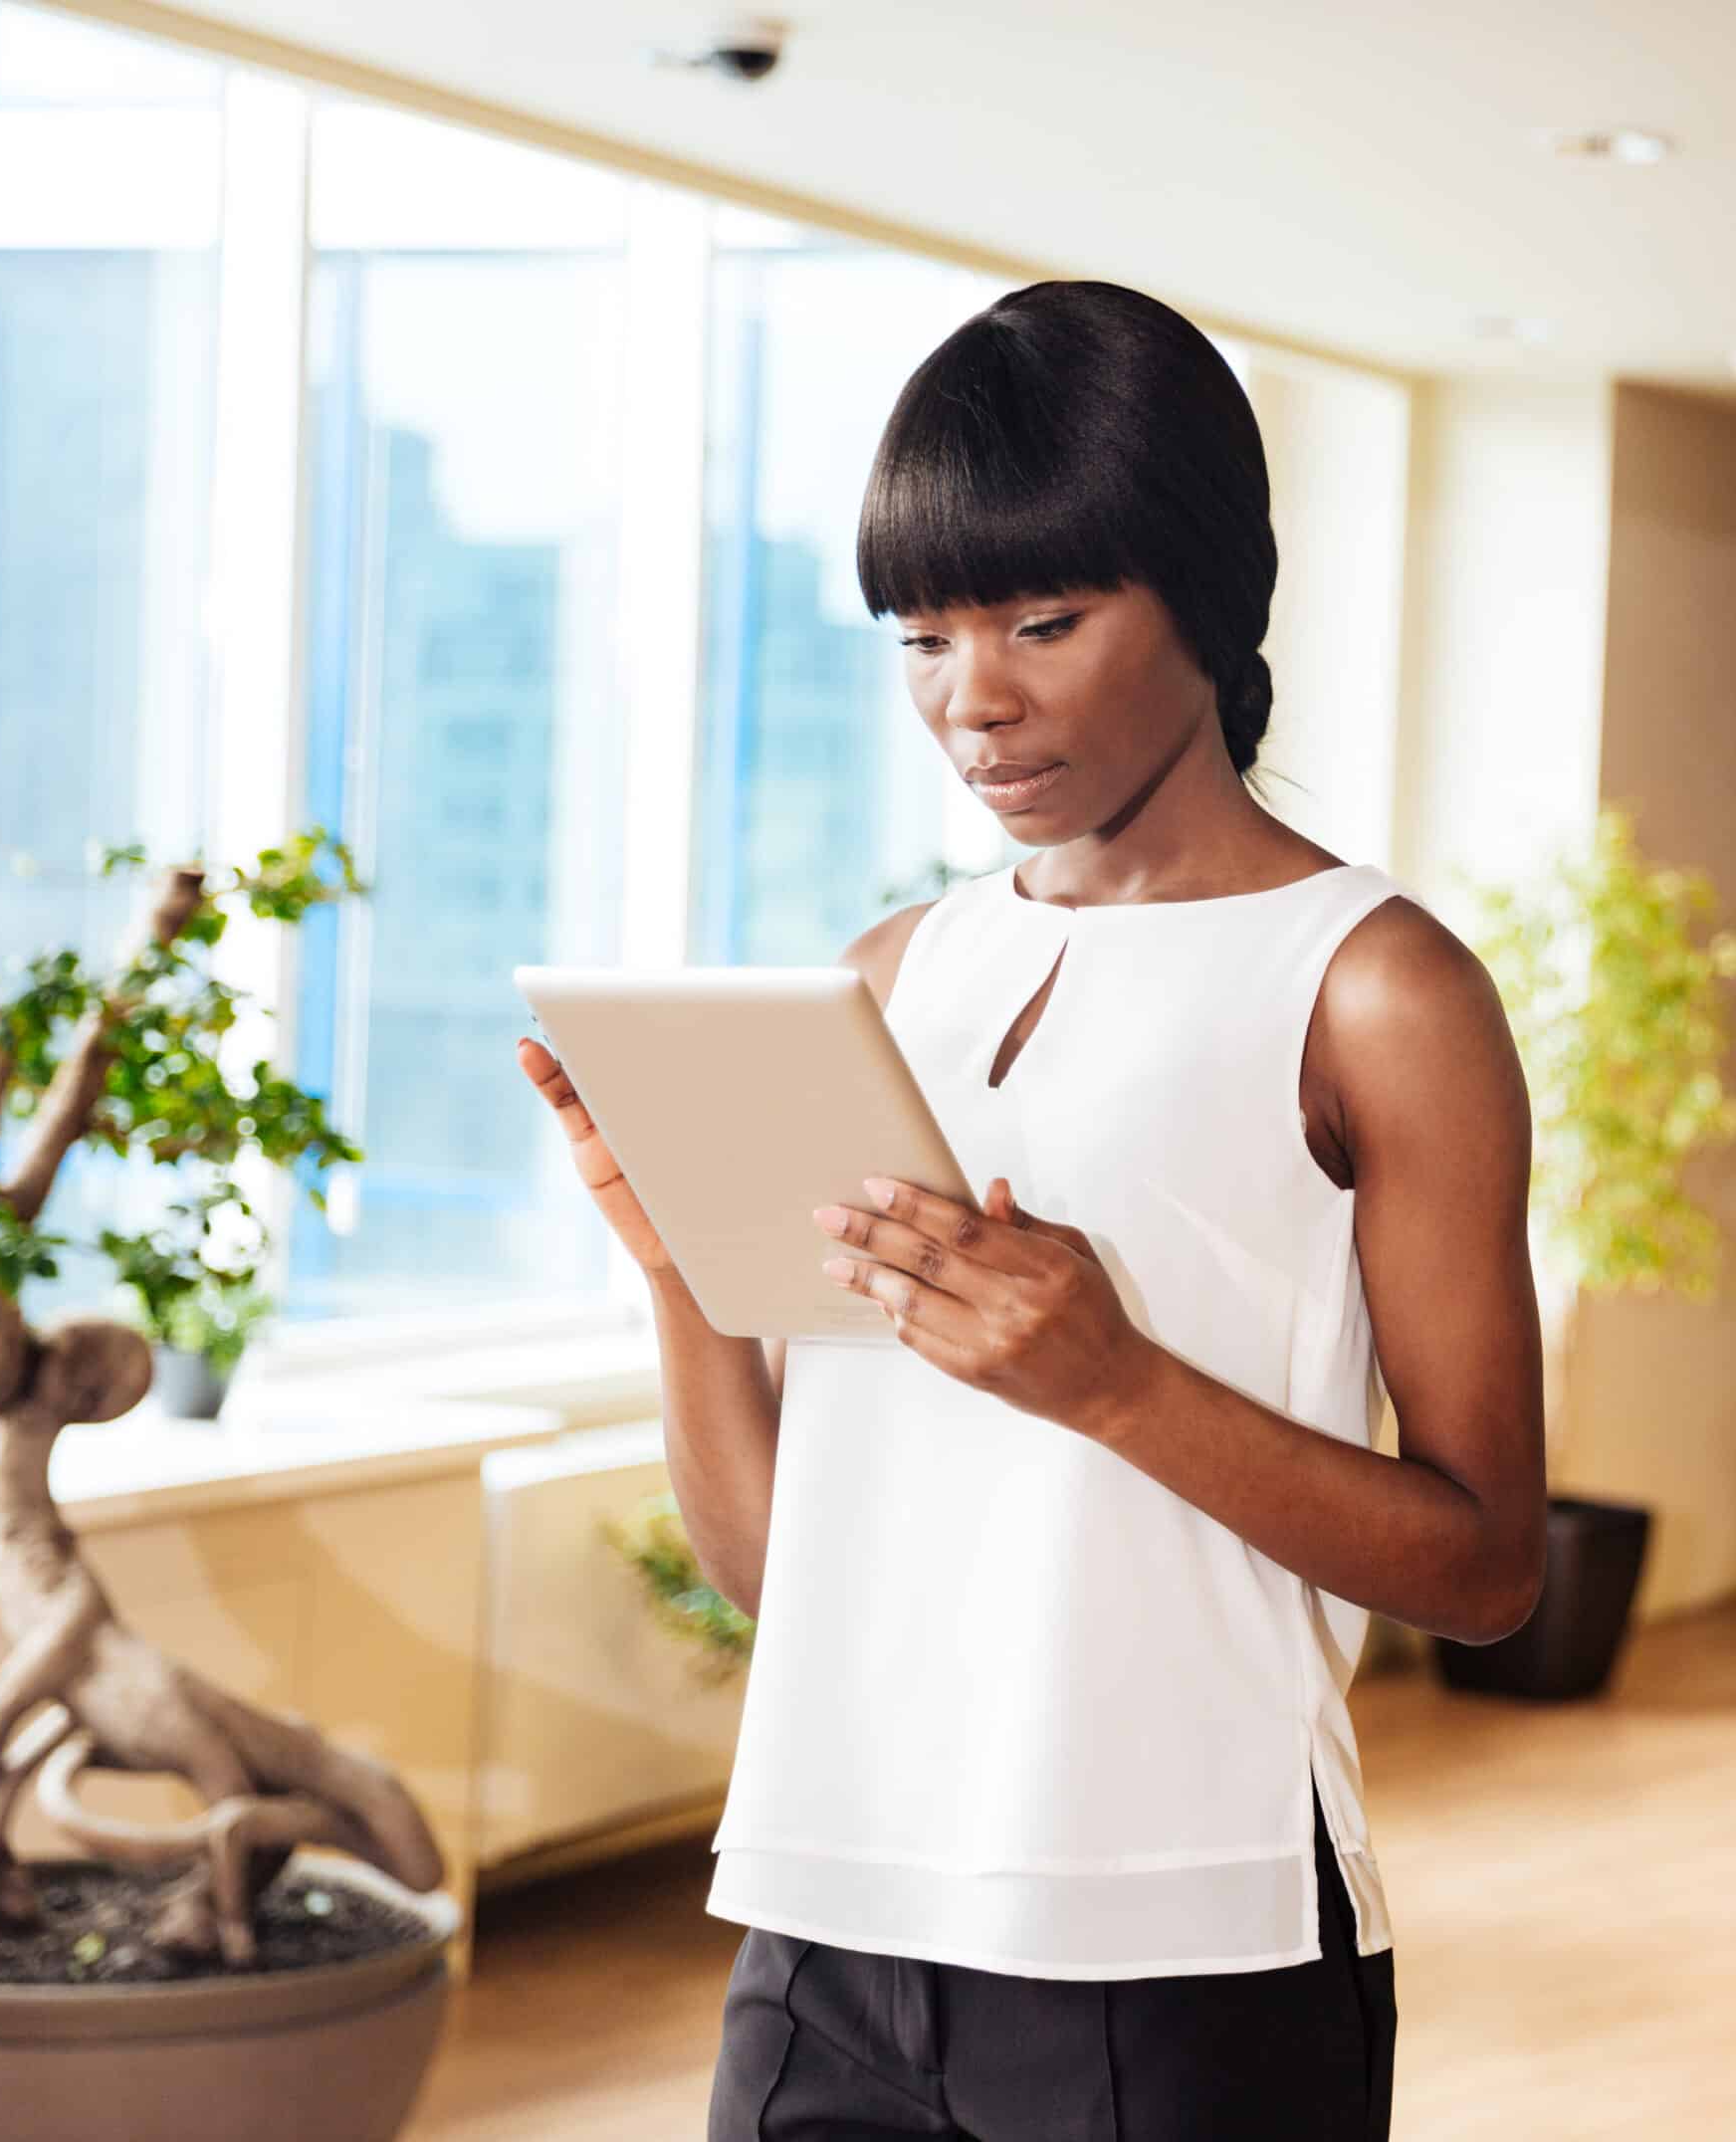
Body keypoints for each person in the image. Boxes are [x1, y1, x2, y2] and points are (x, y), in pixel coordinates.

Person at [516, 280, 1548, 2140]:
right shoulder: (896, 968)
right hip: (826, 1931)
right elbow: (785, 1574)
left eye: (1043, 621)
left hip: (1188, 1939)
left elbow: (1487, 1568)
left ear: (1211, 606)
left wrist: (1112, 1382)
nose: (970, 698)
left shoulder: (1377, 991)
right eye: (922, 636)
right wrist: (680, 1276)